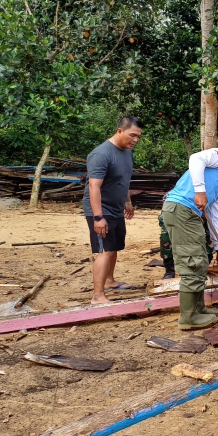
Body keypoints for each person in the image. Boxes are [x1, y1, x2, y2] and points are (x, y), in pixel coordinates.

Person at [161, 144, 218, 329]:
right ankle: (188, 318)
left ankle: (198, 309)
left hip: (190, 213)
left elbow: (214, 214)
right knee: (192, 261)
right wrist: (200, 191)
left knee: (201, 260)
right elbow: (196, 158)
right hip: (181, 210)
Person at [83, 116, 142, 304]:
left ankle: (109, 281)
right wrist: (98, 217)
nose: (135, 140)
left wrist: (128, 201)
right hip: (101, 209)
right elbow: (94, 186)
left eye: (138, 137)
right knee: (105, 250)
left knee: (114, 247)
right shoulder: (101, 154)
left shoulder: (127, 152)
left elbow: (124, 179)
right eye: (132, 135)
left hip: (116, 208)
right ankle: (97, 296)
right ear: (119, 131)